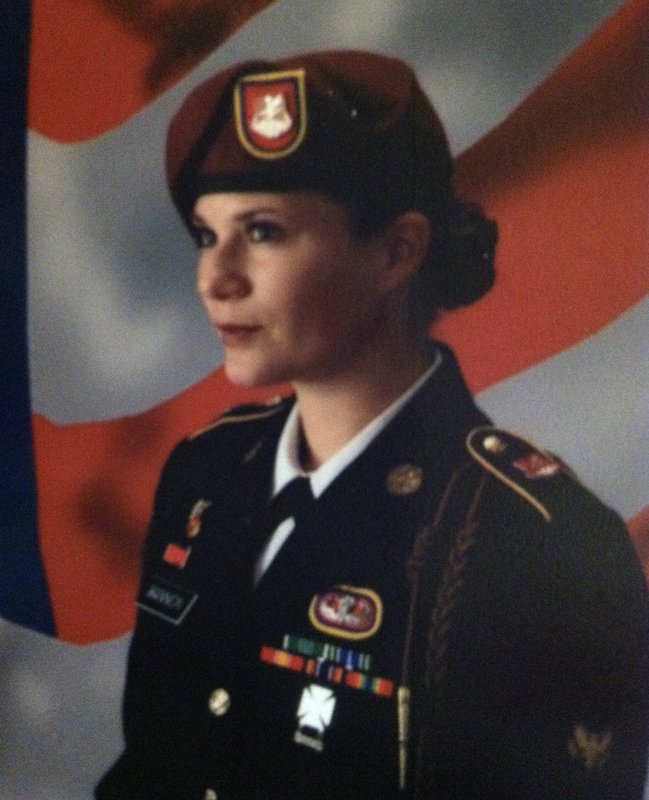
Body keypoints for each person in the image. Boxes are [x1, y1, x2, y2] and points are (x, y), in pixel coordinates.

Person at [95, 50, 649, 800]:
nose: (214, 278)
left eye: (262, 231)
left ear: (395, 252)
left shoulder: (542, 545)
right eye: (205, 235)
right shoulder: (206, 472)